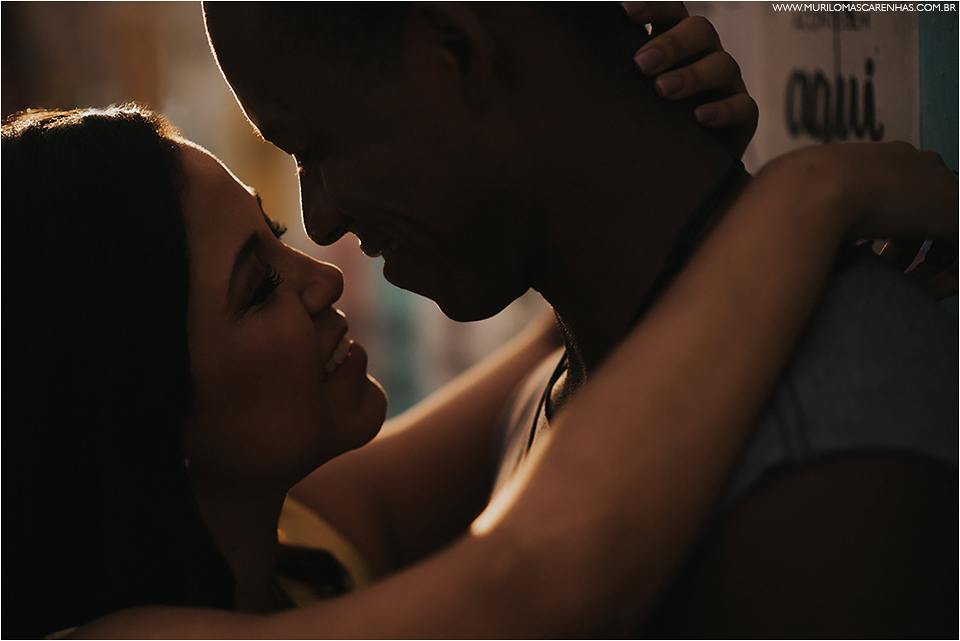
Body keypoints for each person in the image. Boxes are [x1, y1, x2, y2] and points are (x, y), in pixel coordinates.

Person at [203, 2, 959, 636]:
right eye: (256, 284)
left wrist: (680, 211)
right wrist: (801, 195)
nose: (324, 229)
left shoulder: (818, 487)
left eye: (318, 147)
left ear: (458, 55)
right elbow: (523, 574)